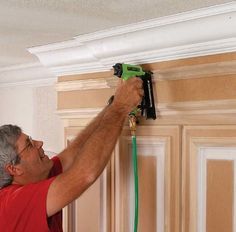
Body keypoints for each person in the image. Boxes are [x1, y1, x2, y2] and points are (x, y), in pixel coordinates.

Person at [0, 77, 143, 232]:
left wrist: (111, 106)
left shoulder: (38, 175)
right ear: (13, 169)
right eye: (29, 145)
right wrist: (120, 108)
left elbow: (74, 152)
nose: (39, 143)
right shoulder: (11, 203)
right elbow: (85, 174)